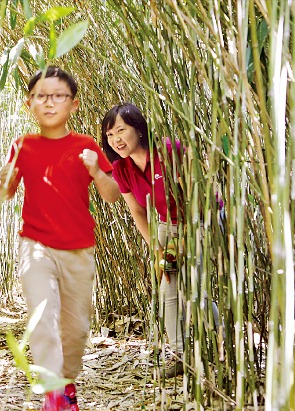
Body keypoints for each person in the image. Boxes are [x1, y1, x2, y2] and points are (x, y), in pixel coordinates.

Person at [0, 66, 120, 411]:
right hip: (35, 245)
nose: (50, 103)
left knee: (75, 329)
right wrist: (5, 178)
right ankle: (53, 395)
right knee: (43, 316)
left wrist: (96, 169)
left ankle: (66, 385)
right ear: (28, 103)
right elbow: (5, 193)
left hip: (79, 248)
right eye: (41, 96)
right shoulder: (22, 145)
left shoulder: (86, 145)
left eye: (58, 96)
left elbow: (111, 195)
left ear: (74, 104)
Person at [101, 102, 222, 379]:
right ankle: (181, 356)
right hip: (168, 226)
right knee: (168, 287)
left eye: (121, 130)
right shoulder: (121, 168)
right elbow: (137, 211)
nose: (116, 139)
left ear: (139, 130)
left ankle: (219, 343)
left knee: (194, 288)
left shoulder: (168, 151)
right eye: (109, 135)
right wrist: (157, 249)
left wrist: (188, 238)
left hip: (201, 219)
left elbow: (194, 196)